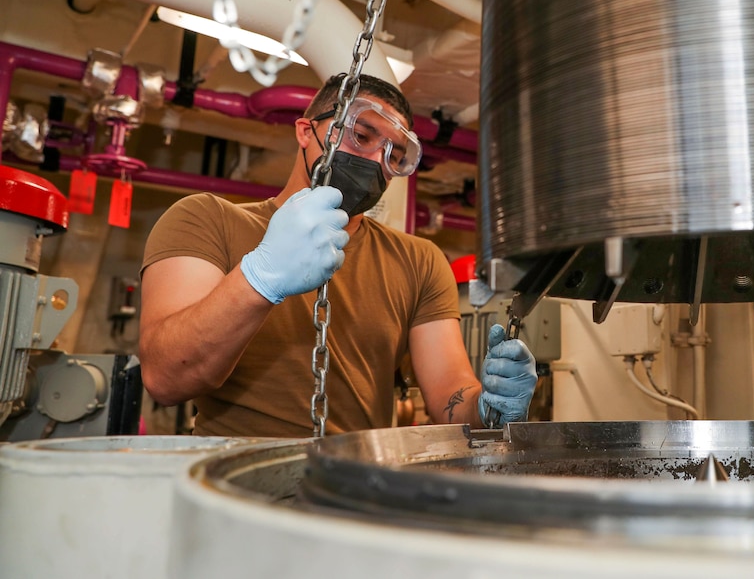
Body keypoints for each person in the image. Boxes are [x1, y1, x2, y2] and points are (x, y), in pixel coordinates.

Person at [139, 73, 537, 437]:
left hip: (354, 487)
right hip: (235, 489)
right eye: (360, 136)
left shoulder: (419, 261)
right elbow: (166, 378)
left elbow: (448, 395)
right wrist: (258, 278)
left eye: (395, 155)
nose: (375, 161)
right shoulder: (206, 219)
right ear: (305, 132)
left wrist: (489, 407)